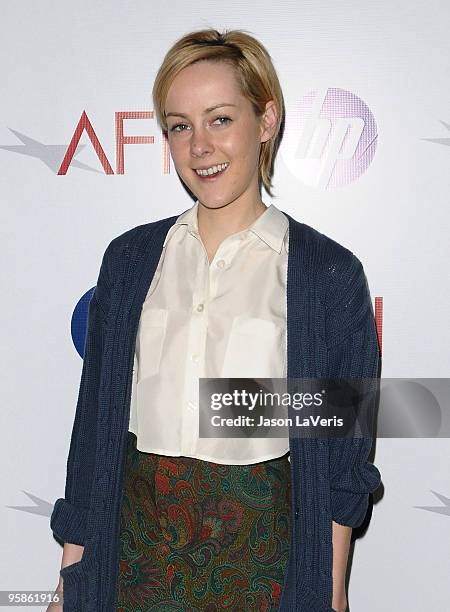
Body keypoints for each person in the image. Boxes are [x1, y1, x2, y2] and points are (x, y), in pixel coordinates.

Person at [49, 28, 381, 612]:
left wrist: (329, 594)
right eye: (180, 126)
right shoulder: (128, 263)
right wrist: (69, 584)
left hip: (267, 566)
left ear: (267, 119)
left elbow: (341, 461)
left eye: (220, 119)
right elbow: (94, 437)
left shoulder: (328, 275)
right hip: (135, 563)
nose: (199, 145)